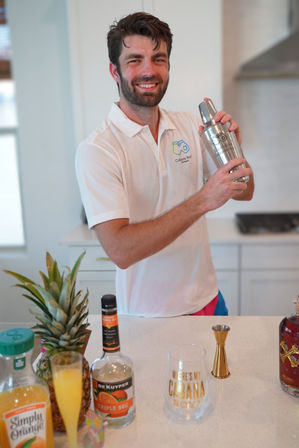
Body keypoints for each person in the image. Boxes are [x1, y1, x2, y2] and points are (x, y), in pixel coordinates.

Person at [75, 12, 254, 317]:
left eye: (159, 59)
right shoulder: (99, 149)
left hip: (209, 303)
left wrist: (233, 151)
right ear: (114, 71)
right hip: (146, 316)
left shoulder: (191, 125)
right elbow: (120, 250)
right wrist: (202, 200)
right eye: (134, 60)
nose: (149, 70)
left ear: (168, 66)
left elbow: (244, 191)